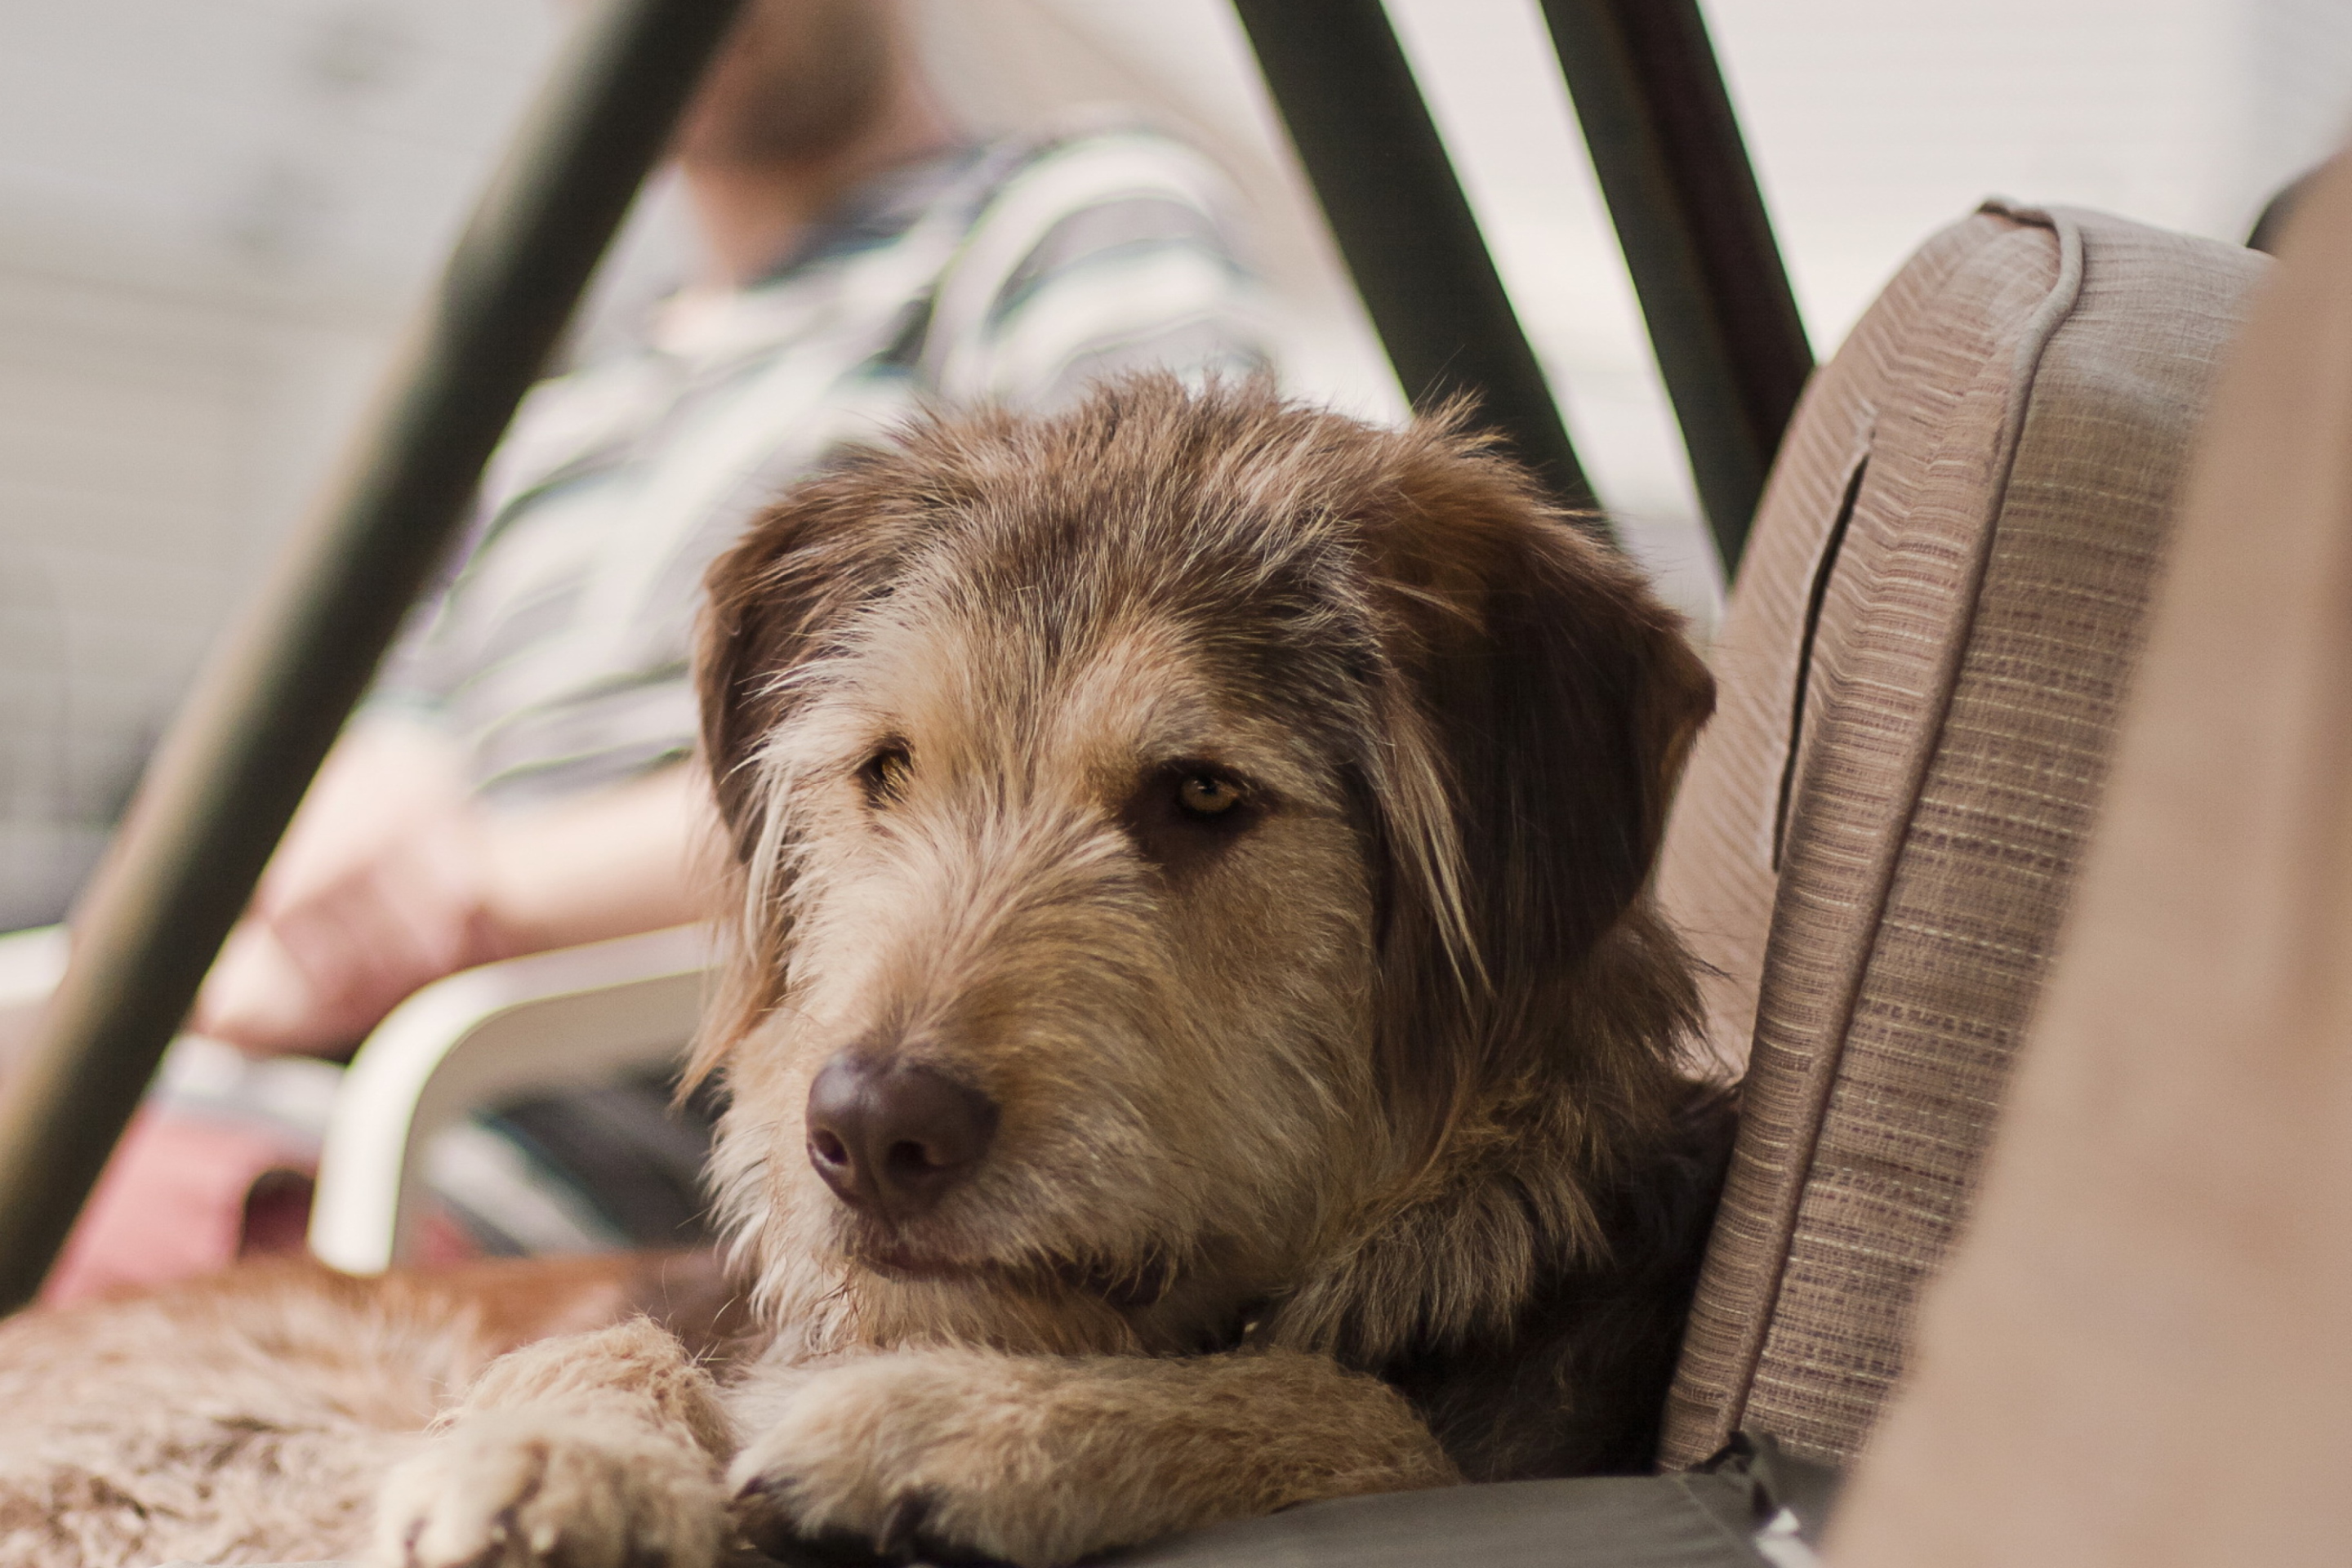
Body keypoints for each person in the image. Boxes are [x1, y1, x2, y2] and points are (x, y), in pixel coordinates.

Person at [47, 0, 1274, 1298]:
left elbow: (1141, 703)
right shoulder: (566, 396)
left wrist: (478, 900)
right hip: (265, 1081)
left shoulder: (1058, 218)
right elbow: (386, 745)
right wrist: (329, 872)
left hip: (556, 1136)